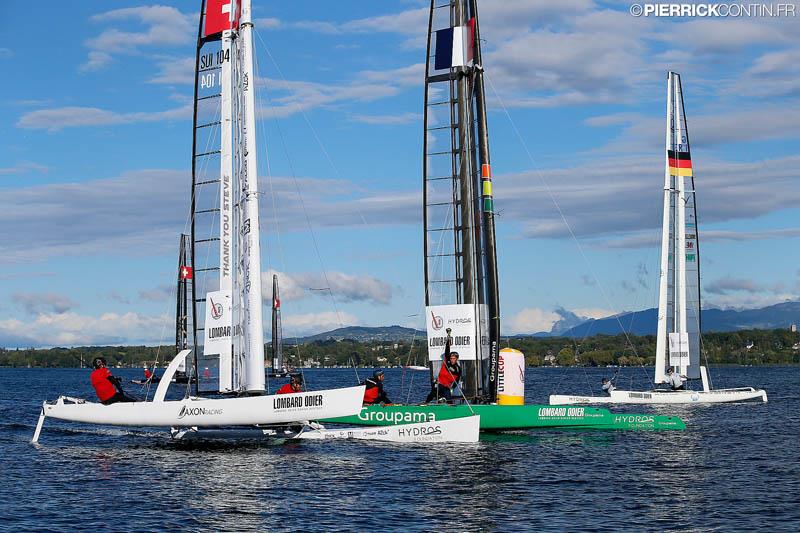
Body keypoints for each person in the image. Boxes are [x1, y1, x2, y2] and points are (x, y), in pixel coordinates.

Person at [425, 328, 462, 404]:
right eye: (451, 358)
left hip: (446, 387)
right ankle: (425, 403)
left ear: (457, 359)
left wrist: (452, 388)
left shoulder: (458, 369)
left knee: (449, 401)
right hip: (439, 383)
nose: (452, 360)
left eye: (453, 358)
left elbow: (457, 381)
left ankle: (451, 411)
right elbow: (447, 349)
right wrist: (448, 337)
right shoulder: (447, 361)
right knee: (433, 393)